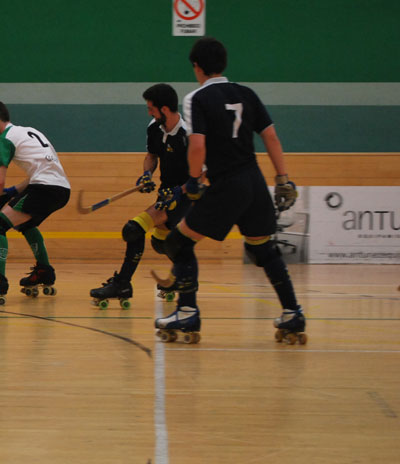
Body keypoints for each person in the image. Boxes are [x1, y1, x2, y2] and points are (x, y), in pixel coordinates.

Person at [155, 37, 305, 343]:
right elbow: (272, 137)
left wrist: (194, 180)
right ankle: (292, 313)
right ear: (223, 63)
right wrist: (283, 179)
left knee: (177, 243)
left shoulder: (196, 98)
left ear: (196, 66)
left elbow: (197, 145)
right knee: (262, 248)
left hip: (227, 184)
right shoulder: (247, 94)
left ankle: (187, 313)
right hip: (254, 182)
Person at [90, 83, 191, 306]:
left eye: (151, 109)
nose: (149, 113)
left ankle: (123, 284)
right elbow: (152, 155)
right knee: (160, 243)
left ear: (164, 109)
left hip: (187, 196)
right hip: (165, 195)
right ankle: (185, 276)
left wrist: (179, 191)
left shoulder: (188, 135)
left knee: (133, 229)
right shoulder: (154, 128)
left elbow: (202, 174)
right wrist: (147, 173)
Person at [0, 100, 71, 302]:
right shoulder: (30, 131)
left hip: (43, 189)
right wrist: (13, 191)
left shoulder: (5, 140)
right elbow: (43, 171)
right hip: (62, 190)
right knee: (26, 224)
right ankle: (44, 271)